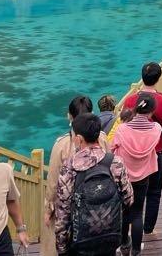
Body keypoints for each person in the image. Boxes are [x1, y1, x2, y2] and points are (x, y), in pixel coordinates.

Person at [54, 113, 133, 256]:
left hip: (80, 242)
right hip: (111, 236)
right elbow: (128, 200)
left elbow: (63, 214)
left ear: (79, 139)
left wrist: (62, 249)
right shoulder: (116, 162)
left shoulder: (69, 168)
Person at [43, 96, 109, 256]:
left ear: (69, 116)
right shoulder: (102, 138)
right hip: (97, 205)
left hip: (70, 208)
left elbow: (53, 182)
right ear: (93, 113)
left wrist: (48, 208)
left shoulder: (62, 144)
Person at [123, 62, 162, 238]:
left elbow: (124, 124)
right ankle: (148, 229)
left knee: (130, 191)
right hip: (155, 153)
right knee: (154, 193)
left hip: (131, 155)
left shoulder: (130, 100)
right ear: (158, 78)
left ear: (142, 77)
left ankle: (131, 226)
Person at [111, 93, 162, 256]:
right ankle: (135, 251)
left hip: (124, 176)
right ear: (152, 111)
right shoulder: (156, 130)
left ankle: (124, 244)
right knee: (137, 213)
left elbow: (112, 148)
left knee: (124, 211)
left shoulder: (121, 130)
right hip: (143, 177)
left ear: (136, 107)